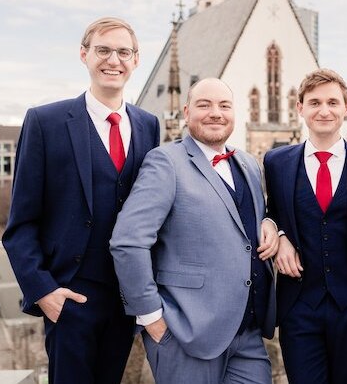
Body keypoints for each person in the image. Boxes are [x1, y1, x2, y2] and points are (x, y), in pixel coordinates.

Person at [3, 17, 160, 383]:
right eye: (103, 50)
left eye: (123, 52)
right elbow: (21, 224)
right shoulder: (46, 122)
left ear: (136, 60)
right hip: (68, 297)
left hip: (126, 299)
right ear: (84, 55)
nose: (113, 60)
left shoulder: (148, 125)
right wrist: (44, 292)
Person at [109, 78, 279, 383]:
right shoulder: (166, 162)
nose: (216, 113)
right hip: (185, 335)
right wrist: (151, 317)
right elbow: (128, 242)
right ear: (187, 112)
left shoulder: (249, 164)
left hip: (248, 335)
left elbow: (247, 222)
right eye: (204, 105)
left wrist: (270, 224)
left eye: (224, 105)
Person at [265, 68, 347, 383]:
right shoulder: (276, 162)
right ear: (300, 108)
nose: (324, 110)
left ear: (346, 107)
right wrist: (279, 234)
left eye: (333, 102)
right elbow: (269, 212)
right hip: (298, 310)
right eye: (315, 102)